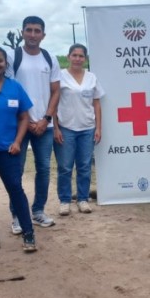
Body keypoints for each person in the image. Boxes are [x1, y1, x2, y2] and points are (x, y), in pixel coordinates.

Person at [0, 45, 38, 252]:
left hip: (9, 150)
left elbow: (24, 117)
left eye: (0, 60)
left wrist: (18, 141)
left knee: (16, 189)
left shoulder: (15, 87)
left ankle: (28, 232)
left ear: (6, 63)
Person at [4, 16, 60, 230]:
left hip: (45, 125)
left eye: (37, 31)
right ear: (22, 32)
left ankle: (38, 211)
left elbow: (56, 92)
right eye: (29, 30)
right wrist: (26, 122)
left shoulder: (50, 58)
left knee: (44, 169)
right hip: (19, 125)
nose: (33, 34)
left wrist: (46, 119)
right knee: (16, 171)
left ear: (43, 35)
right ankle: (17, 215)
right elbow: (9, 90)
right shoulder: (13, 57)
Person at [53, 44, 104, 215]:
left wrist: (98, 127)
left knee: (84, 166)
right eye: (74, 55)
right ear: (68, 57)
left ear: (85, 58)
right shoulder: (60, 76)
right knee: (65, 167)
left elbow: (97, 104)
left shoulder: (91, 77)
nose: (77, 59)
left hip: (87, 128)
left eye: (81, 56)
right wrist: (56, 128)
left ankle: (83, 199)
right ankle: (65, 201)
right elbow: (53, 103)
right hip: (66, 128)